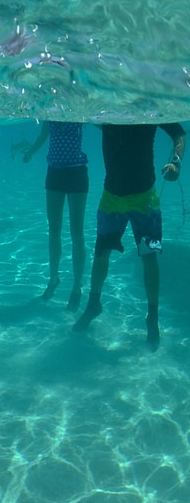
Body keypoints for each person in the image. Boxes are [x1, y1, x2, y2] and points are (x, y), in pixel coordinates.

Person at [73, 123, 186, 351]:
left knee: (149, 256)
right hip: (111, 197)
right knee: (101, 253)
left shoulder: (148, 109)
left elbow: (179, 132)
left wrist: (177, 162)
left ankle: (152, 317)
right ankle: (93, 304)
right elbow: (87, 113)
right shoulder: (109, 108)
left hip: (146, 199)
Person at [23, 121, 89, 310]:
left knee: (77, 232)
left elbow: (100, 122)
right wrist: (30, 152)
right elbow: (42, 136)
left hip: (77, 173)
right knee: (54, 229)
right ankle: (53, 278)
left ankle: (77, 287)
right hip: (54, 173)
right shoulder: (50, 113)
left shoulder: (79, 110)